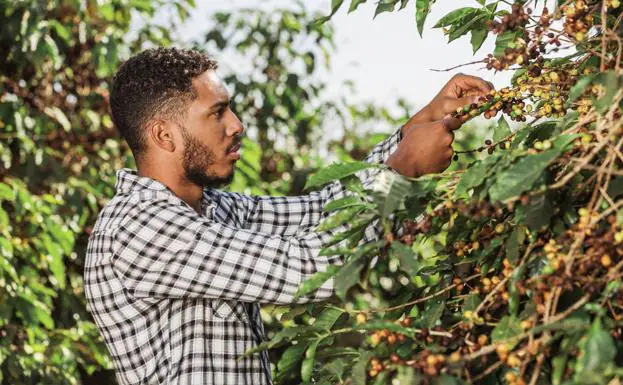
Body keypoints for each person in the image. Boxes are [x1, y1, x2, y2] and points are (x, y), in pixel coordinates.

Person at [84, 47, 492, 385]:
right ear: (163, 135)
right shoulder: (139, 226)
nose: (237, 125)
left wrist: (419, 123)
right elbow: (313, 269)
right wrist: (401, 171)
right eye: (217, 112)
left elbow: (325, 210)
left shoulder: (214, 210)